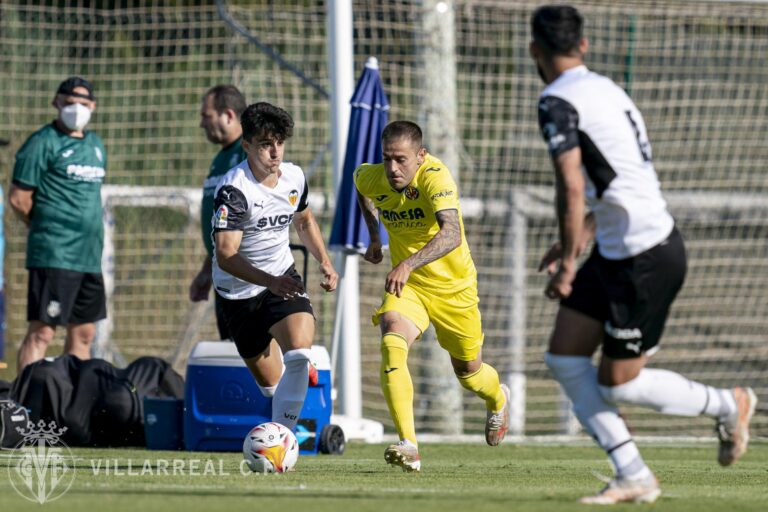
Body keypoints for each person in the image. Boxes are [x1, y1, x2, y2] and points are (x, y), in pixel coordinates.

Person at [530, 5, 757, 505]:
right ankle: (633, 473)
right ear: (583, 46)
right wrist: (581, 236)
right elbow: (618, 181)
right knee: (564, 357)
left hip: (644, 257)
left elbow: (572, 185)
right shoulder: (607, 89)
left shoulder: (555, 101)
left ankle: (727, 403)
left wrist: (569, 263)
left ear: (535, 52)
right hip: (622, 250)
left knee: (619, 386)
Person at [355, 120, 510, 473]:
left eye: (401, 160)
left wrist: (407, 263)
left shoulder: (435, 176)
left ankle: (498, 397)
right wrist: (375, 238)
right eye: (387, 159)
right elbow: (362, 188)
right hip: (410, 288)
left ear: (420, 156)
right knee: (392, 339)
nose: (392, 168)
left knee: (469, 374)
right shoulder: (372, 176)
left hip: (454, 289)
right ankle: (409, 445)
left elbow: (452, 233)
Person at [211, 102, 338, 431]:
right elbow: (226, 254)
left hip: (282, 279)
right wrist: (269, 281)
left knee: (297, 355)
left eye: (279, 143)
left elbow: (305, 220)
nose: (275, 151)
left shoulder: (294, 177)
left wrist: (325, 262)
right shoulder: (234, 190)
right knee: (272, 387)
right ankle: (294, 376)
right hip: (238, 294)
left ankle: (284, 442)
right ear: (247, 145)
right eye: (266, 144)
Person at [10, 76, 107, 373]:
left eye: (83, 103)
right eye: (69, 102)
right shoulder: (42, 142)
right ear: (56, 103)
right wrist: (44, 227)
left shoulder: (95, 144)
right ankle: (24, 406)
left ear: (93, 106)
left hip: (88, 256)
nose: (76, 108)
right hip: (55, 254)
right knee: (43, 331)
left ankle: (73, 407)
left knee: (84, 334)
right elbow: (19, 198)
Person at [189, 85, 247, 340]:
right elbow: (221, 225)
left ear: (229, 115)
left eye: (207, 116)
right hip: (222, 272)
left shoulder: (247, 153)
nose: (202, 124)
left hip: (246, 278)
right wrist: (206, 269)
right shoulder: (220, 158)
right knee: (231, 347)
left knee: (250, 352)